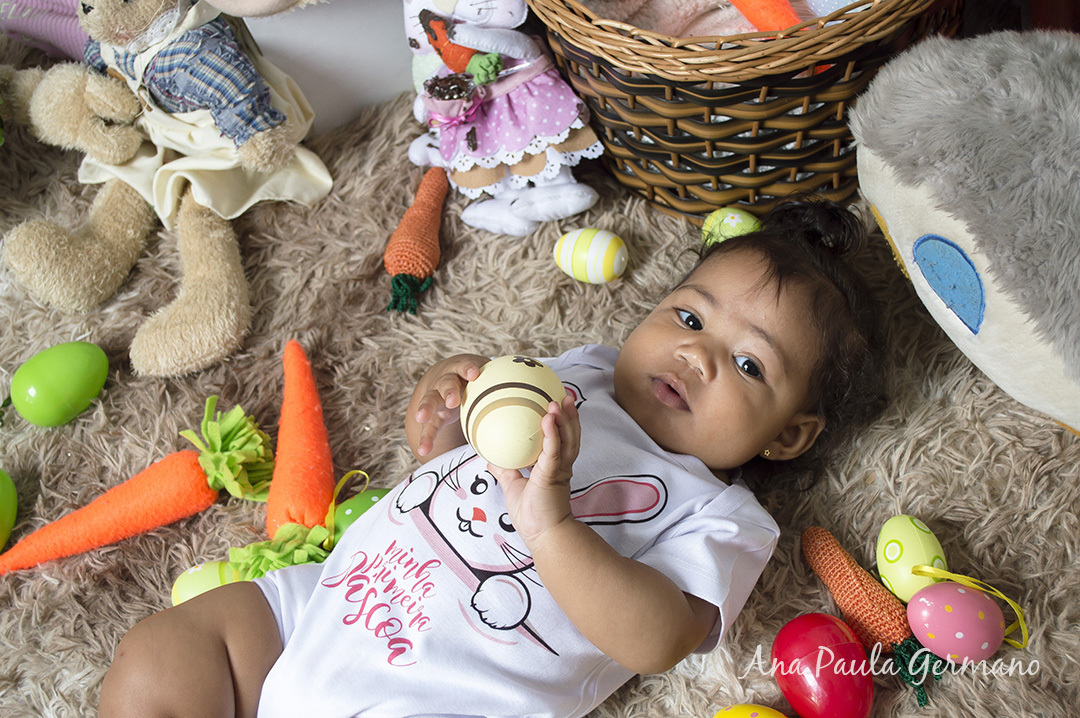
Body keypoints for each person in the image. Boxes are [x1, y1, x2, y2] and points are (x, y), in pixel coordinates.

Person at [99, 197, 885, 718]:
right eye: (688, 315)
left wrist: (551, 528)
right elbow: (455, 466)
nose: (696, 355)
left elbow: (656, 640)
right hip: (327, 609)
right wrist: (449, 413)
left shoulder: (720, 516)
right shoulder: (577, 373)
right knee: (161, 655)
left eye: (750, 365)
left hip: (447, 696)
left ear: (787, 436)